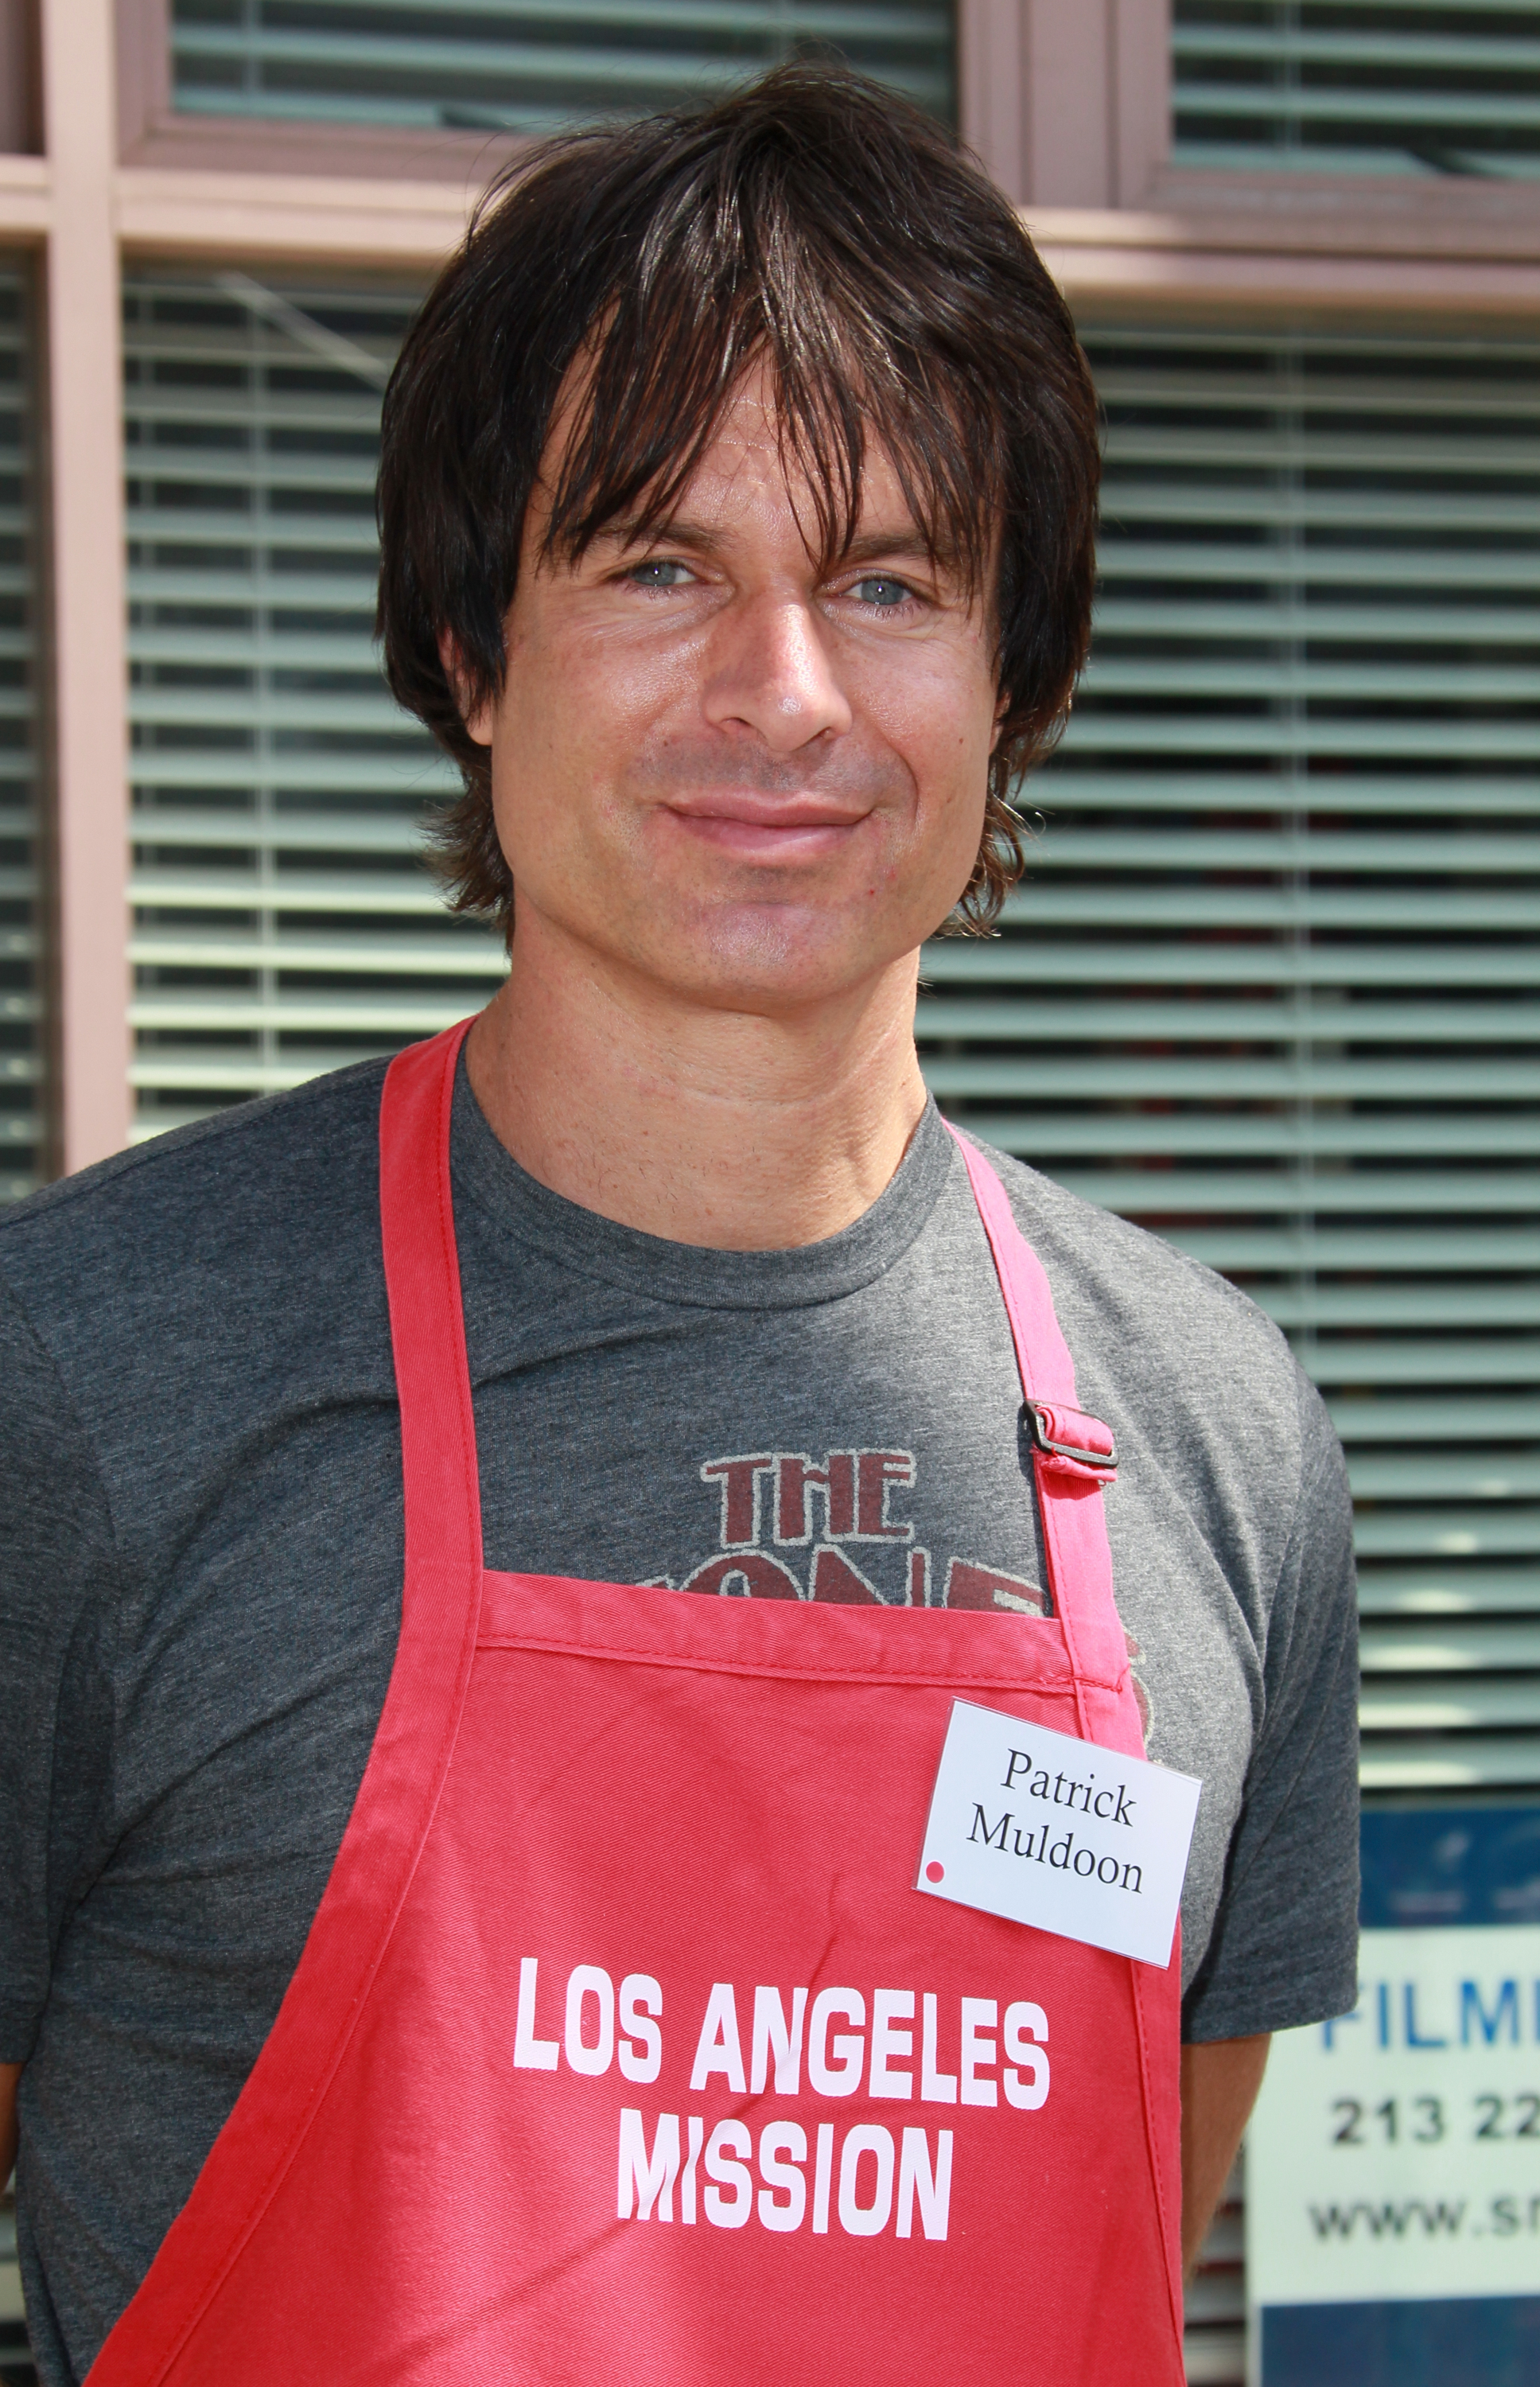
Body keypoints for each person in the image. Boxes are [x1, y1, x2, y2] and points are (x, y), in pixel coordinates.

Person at [0, 64, 1359, 2386]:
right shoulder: (89, 1376)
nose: (783, 694)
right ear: (464, 646)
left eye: (891, 582)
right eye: (657, 563)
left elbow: (1129, 2235)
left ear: (1012, 682)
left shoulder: (1215, 1442)